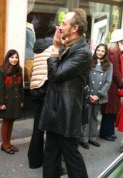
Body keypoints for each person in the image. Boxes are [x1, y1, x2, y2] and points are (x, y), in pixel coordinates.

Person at [39, 8, 92, 178]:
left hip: (67, 113)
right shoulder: (68, 46)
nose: (59, 27)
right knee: (50, 155)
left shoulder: (83, 52)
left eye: (64, 24)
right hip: (55, 110)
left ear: (75, 28)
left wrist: (55, 48)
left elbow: (55, 74)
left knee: (71, 158)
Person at [27, 26, 55, 168]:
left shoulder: (38, 47)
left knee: (38, 127)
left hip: (35, 87)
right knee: (50, 128)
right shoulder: (53, 48)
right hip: (47, 88)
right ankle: (49, 162)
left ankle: (34, 160)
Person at [80, 44, 113, 149]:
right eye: (98, 50)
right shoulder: (89, 62)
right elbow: (85, 78)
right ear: (95, 51)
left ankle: (92, 138)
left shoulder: (109, 65)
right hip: (89, 94)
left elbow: (108, 82)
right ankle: (83, 139)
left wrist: (98, 95)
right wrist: (89, 94)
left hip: (99, 96)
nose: (100, 52)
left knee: (94, 117)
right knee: (86, 117)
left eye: (102, 51)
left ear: (105, 53)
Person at [99, 29, 123, 141]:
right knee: (110, 110)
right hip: (112, 85)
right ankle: (107, 133)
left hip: (112, 84)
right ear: (119, 40)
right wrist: (121, 84)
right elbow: (115, 71)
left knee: (110, 110)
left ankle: (107, 132)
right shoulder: (113, 52)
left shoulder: (114, 51)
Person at [0, 49, 24, 154]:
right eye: (12, 57)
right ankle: (4, 144)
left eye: (16, 57)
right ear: (7, 58)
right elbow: (0, 88)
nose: (14, 59)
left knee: (11, 121)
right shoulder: (2, 70)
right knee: (6, 122)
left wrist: (22, 100)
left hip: (15, 101)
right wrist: (1, 103)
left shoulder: (19, 70)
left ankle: (8, 143)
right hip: (6, 102)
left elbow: (21, 87)